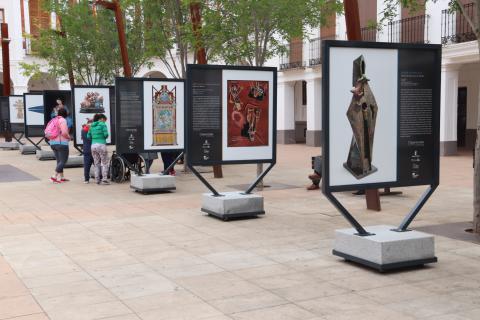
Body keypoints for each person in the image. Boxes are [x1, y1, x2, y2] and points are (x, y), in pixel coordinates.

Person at [49, 108, 70, 183]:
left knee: (59, 161)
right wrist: (68, 137)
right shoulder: (63, 120)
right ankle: (54, 176)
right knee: (63, 161)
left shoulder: (54, 120)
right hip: (61, 143)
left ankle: (62, 177)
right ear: (65, 113)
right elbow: (64, 132)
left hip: (52, 143)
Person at [88, 113, 110, 185]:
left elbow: (88, 136)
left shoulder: (91, 126)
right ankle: (104, 179)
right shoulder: (103, 124)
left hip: (93, 145)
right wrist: (103, 137)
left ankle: (97, 179)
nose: (104, 121)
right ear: (101, 119)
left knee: (96, 163)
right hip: (101, 145)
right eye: (104, 120)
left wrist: (94, 138)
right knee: (104, 162)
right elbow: (106, 135)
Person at [81, 118, 93, 184]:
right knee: (97, 164)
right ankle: (99, 178)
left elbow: (83, 138)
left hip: (86, 149)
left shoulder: (83, 130)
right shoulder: (93, 129)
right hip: (94, 149)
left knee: (86, 165)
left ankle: (86, 179)